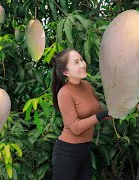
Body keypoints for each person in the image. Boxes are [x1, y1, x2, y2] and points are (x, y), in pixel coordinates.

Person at [51, 49, 111, 180]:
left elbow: (100, 112)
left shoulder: (87, 86)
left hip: (84, 151)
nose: (83, 64)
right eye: (76, 62)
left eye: (82, 60)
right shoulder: (64, 93)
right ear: (66, 72)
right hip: (67, 153)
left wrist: (122, 107)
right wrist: (101, 115)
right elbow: (76, 127)